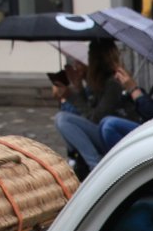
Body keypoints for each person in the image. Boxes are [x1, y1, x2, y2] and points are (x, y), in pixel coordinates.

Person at [54, 40, 136, 173]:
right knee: (61, 119)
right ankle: (80, 161)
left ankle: (95, 165)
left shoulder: (113, 84)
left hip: (112, 135)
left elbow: (95, 118)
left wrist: (72, 96)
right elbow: (86, 113)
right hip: (102, 130)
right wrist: (79, 88)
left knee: (63, 119)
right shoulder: (97, 82)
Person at [100, 52, 153, 151]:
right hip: (142, 123)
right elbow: (146, 101)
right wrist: (128, 88)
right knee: (104, 121)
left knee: (110, 125)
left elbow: (152, 113)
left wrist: (133, 89)